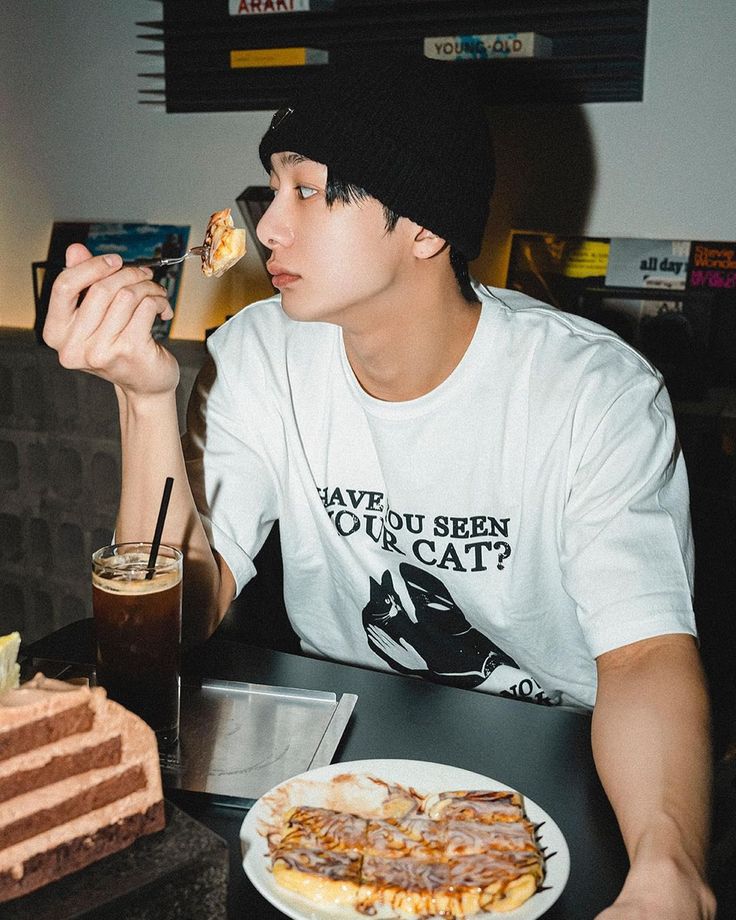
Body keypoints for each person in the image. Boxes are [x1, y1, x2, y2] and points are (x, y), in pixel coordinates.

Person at [44, 59, 715, 918]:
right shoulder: (259, 354)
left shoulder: (593, 393)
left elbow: (647, 655)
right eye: (269, 189)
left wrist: (669, 870)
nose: (267, 227)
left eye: (309, 191)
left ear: (425, 228)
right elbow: (177, 614)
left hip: (563, 752)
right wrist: (145, 399)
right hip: (351, 757)